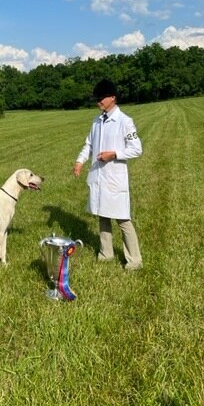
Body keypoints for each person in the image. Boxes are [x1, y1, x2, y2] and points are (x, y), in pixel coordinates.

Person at [72, 79, 143, 270]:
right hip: (98, 177)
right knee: (102, 215)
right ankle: (106, 254)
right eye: (97, 99)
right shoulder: (96, 121)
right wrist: (80, 161)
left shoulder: (125, 122)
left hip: (114, 178)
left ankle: (134, 261)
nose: (98, 102)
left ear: (112, 97)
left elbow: (137, 149)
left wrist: (115, 154)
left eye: (101, 98)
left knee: (122, 219)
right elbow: (88, 144)